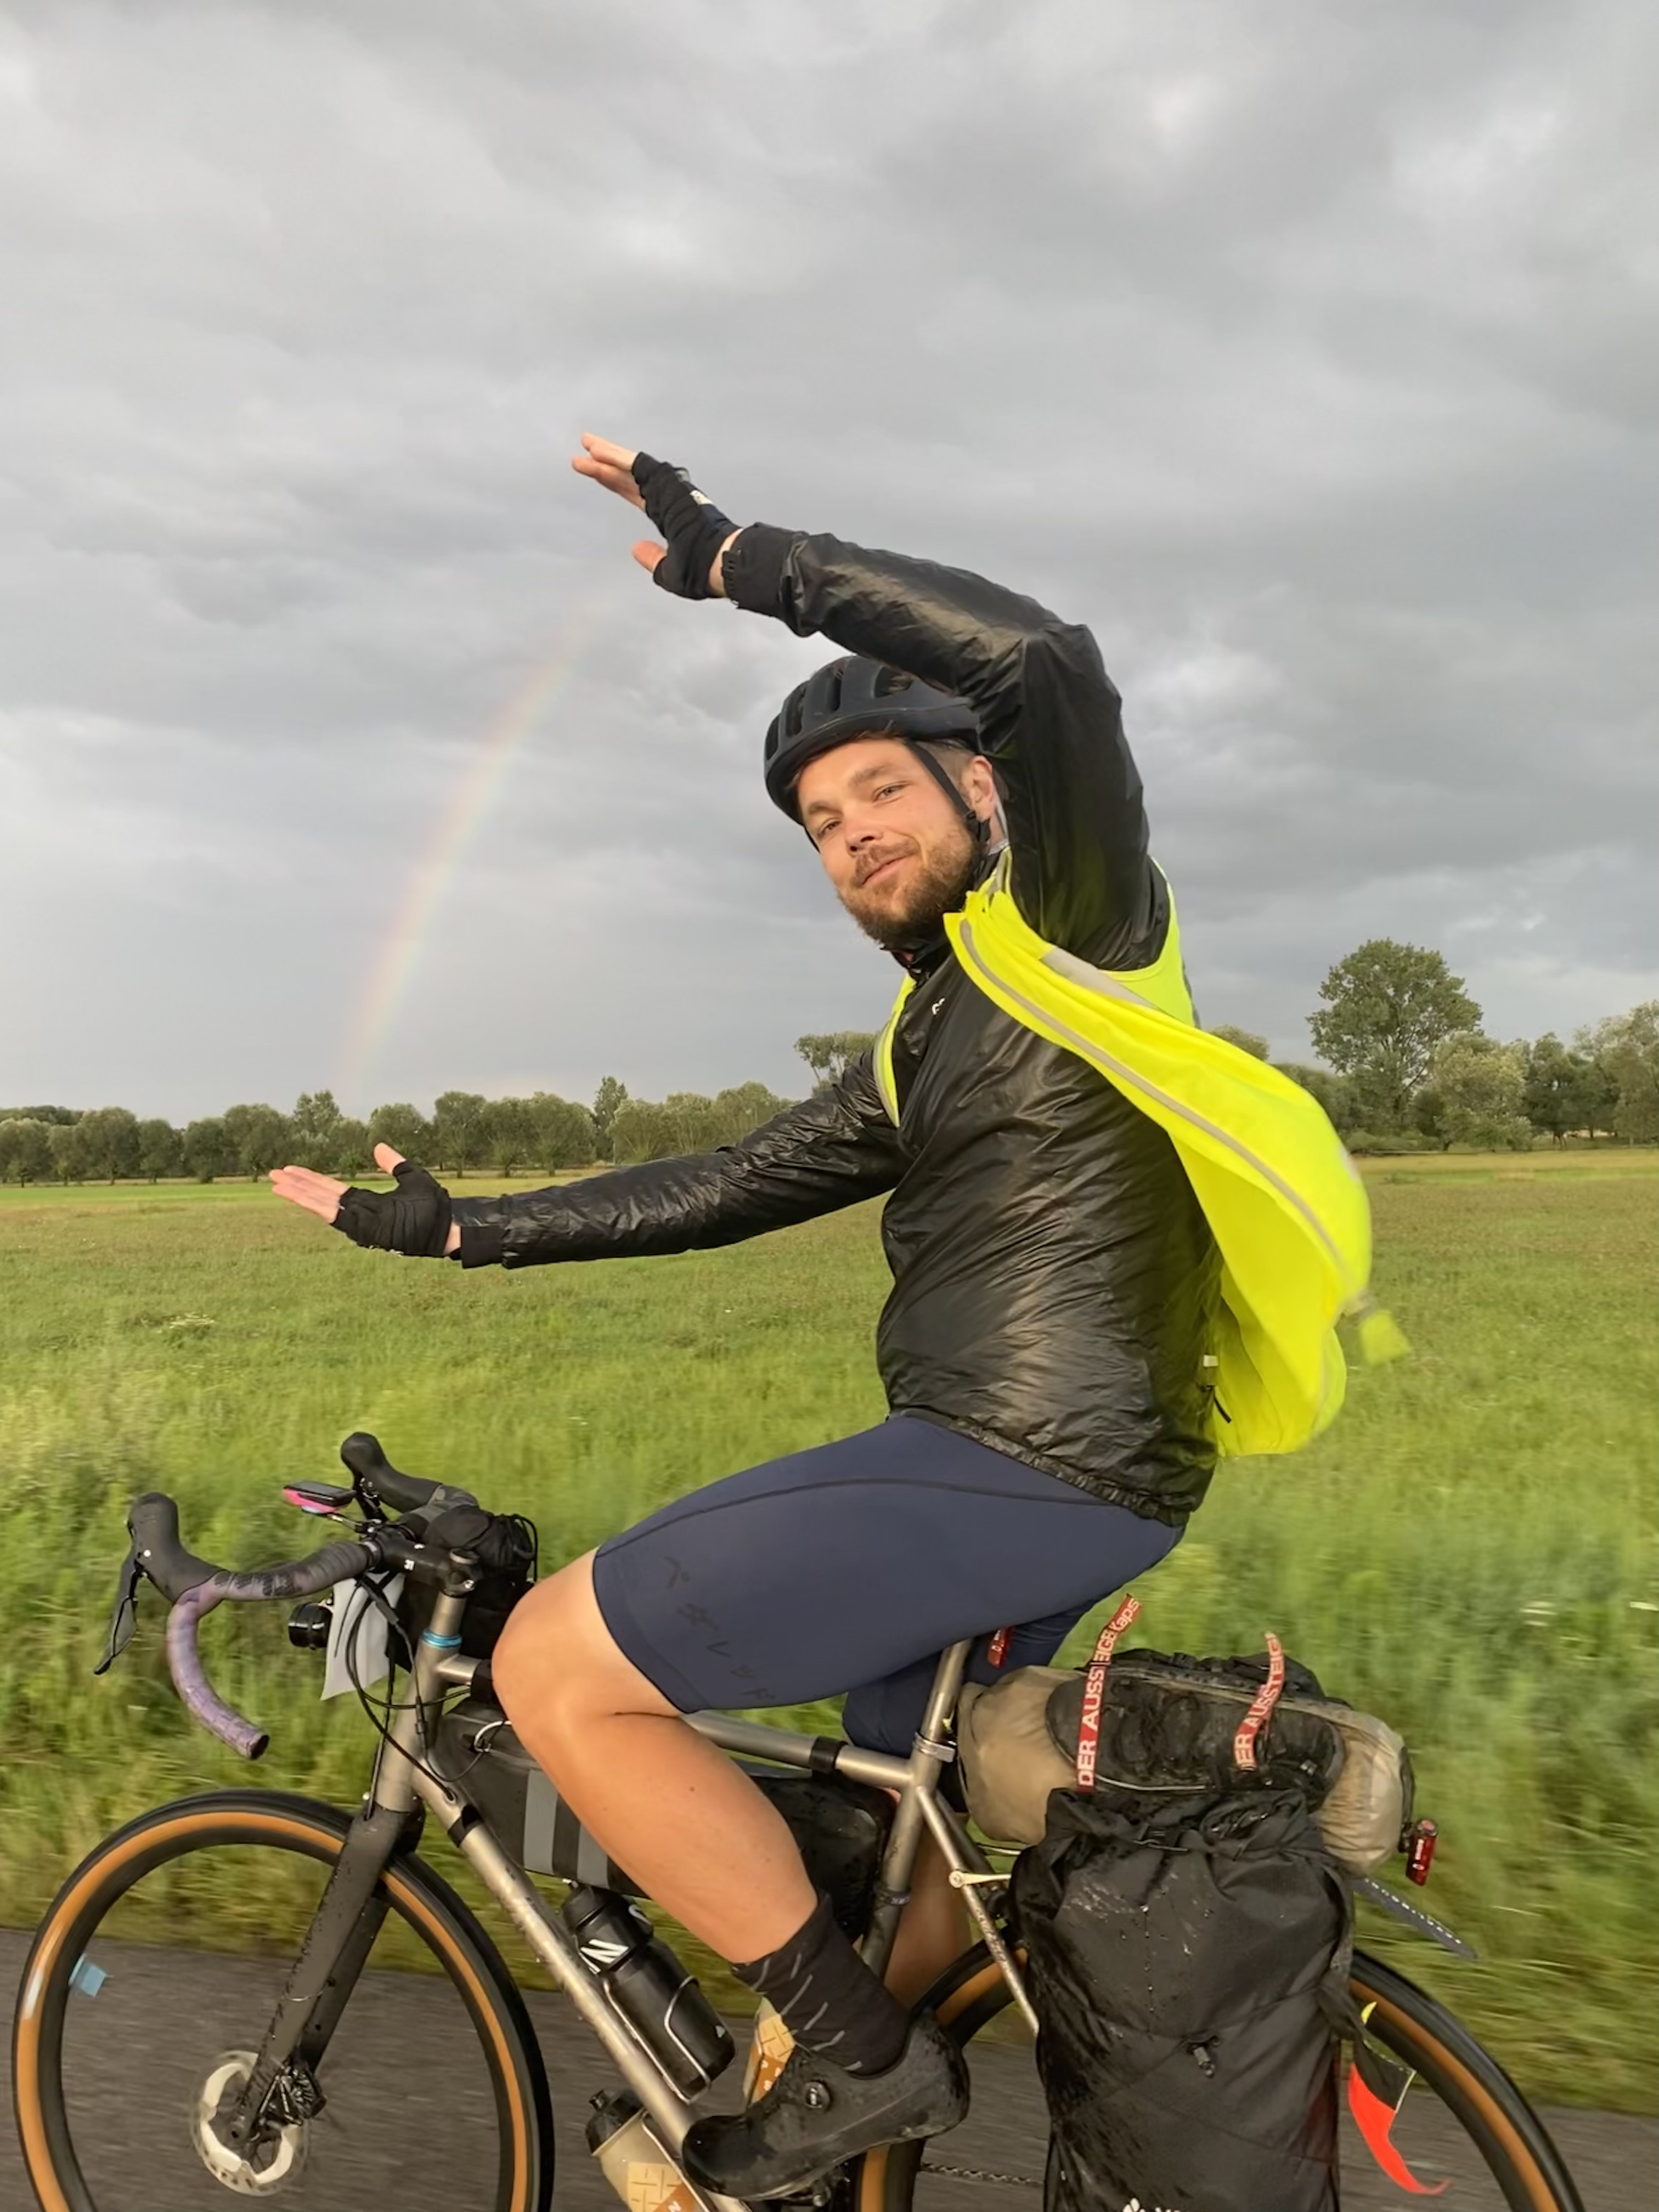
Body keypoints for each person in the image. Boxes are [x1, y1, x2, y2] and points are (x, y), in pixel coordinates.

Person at [271, 435, 1220, 2199]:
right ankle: (844, 2098)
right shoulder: (936, 1031)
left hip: (1016, 1458)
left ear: (986, 794)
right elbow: (713, 1186)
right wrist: (455, 1227)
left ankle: (855, 2075)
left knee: (558, 1662)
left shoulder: (1078, 929)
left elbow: (1046, 666)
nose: (850, 829)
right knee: (877, 1841)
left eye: (881, 789)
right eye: (820, 820)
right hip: (1097, 1472)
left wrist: (742, 565)